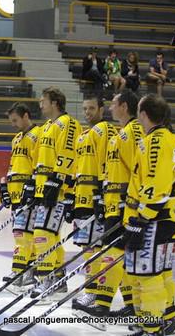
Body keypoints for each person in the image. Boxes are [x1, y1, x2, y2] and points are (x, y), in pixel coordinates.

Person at [77, 90, 143, 331]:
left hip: (126, 206)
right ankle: (131, 304)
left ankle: (102, 305)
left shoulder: (133, 132)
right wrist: (104, 199)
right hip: (114, 203)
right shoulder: (122, 133)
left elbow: (140, 169)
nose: (111, 108)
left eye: (114, 104)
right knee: (118, 255)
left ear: (124, 106)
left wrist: (128, 200)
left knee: (112, 254)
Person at [122, 94, 175, 336]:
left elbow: (157, 182)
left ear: (144, 114)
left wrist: (142, 217)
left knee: (148, 276)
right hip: (167, 218)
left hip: (156, 218)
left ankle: (152, 328)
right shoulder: (168, 138)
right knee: (161, 273)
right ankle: (166, 322)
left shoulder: (157, 141)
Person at [27, 87, 81, 300]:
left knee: (43, 235)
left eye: (43, 101)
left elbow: (68, 156)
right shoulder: (47, 127)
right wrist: (33, 184)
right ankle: (58, 279)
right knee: (49, 235)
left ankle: (47, 279)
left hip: (56, 191)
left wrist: (58, 182)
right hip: (44, 189)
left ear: (55, 103)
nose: (40, 104)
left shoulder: (68, 124)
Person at [69, 96, 117, 312]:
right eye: (84, 108)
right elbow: (78, 167)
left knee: (95, 246)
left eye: (91, 108)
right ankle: (92, 288)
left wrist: (100, 195)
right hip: (81, 196)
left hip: (95, 197)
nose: (87, 112)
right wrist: (71, 195)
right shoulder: (82, 135)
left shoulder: (105, 130)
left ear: (101, 109)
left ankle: (94, 290)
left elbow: (107, 163)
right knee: (86, 245)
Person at [0, 102, 40, 290]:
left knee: (24, 235)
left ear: (25, 116)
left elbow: (40, 164)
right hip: (16, 194)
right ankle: (25, 271)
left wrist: (32, 187)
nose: (13, 124)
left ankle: (22, 271)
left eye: (15, 120)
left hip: (28, 194)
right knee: (20, 234)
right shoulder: (16, 139)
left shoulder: (37, 135)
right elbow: (12, 165)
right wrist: (4, 186)